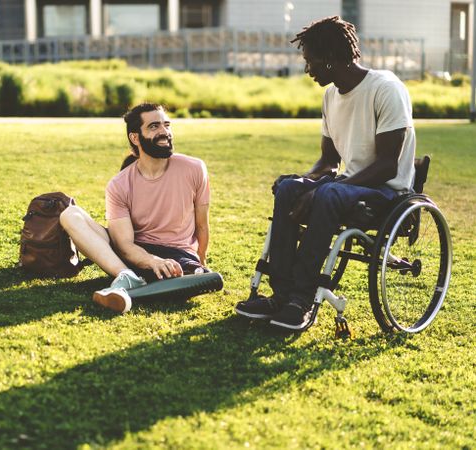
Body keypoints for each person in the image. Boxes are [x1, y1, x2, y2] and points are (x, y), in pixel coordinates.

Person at [235, 16, 416, 330]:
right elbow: (328, 162)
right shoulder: (331, 96)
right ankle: (281, 294)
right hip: (349, 186)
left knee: (330, 191)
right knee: (289, 187)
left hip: (387, 192)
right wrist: (305, 182)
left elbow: (388, 164)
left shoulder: (386, 88)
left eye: (311, 61)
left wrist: (322, 190)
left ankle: (301, 299)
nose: (308, 69)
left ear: (331, 59)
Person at [59, 103, 211, 314]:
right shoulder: (119, 184)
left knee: (189, 274)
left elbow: (202, 226)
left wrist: (200, 265)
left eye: (166, 125)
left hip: (177, 254)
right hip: (132, 253)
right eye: (154, 126)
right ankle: (127, 277)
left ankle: (132, 286)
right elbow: (123, 244)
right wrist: (151, 261)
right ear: (135, 137)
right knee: (70, 213)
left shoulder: (194, 168)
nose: (164, 132)